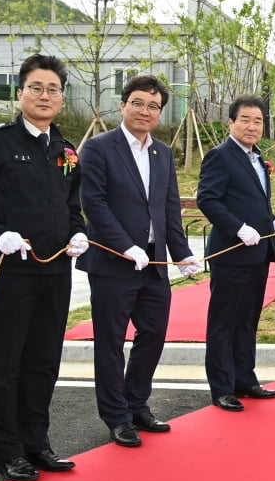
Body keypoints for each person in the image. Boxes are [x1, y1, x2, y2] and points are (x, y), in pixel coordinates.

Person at [0, 54, 87, 481]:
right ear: (20, 93)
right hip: (8, 274)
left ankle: (37, 442)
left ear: (61, 99)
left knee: (43, 362)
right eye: (36, 88)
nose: (44, 96)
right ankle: (8, 450)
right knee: (5, 364)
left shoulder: (66, 149)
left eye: (53, 89)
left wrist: (78, 233)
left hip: (54, 275)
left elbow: (73, 206)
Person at [77, 75, 202, 447]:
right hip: (113, 262)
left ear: (160, 112)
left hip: (153, 262)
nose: (144, 111)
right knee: (111, 342)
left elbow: (168, 209)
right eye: (138, 102)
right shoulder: (98, 148)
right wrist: (124, 245)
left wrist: (181, 254)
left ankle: (137, 404)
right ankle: (116, 416)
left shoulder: (161, 153)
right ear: (123, 105)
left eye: (153, 105)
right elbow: (94, 204)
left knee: (153, 334)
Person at [197, 95, 275, 411]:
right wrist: (237, 227)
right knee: (224, 321)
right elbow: (209, 200)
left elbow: (255, 203)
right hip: (231, 252)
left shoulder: (257, 159)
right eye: (245, 120)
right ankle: (222, 387)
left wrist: (273, 220)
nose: (252, 126)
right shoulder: (220, 156)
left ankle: (245, 379)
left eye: (258, 121)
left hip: (258, 253)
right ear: (231, 123)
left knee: (247, 320)